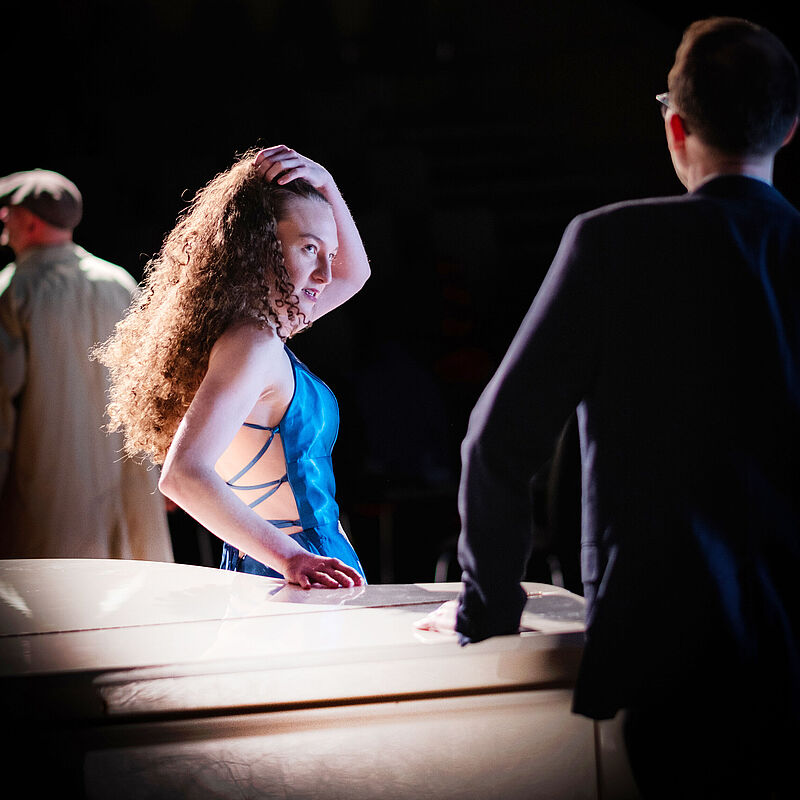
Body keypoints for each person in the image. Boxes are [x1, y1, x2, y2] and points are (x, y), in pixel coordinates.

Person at [417, 17, 800, 798]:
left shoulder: (613, 244)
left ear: (676, 126)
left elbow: (497, 441)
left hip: (667, 653)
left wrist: (488, 605)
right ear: (789, 128)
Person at [93, 146, 368, 590]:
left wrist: (326, 183)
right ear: (258, 245)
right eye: (309, 248)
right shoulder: (254, 342)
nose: (324, 273)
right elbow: (182, 476)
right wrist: (291, 558)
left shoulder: (262, 327)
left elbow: (353, 275)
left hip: (286, 563)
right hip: (295, 568)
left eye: (329, 253)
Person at [0, 168, 173, 561]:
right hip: (129, 489)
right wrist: (165, 464)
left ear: (30, 222)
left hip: (49, 502)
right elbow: (156, 385)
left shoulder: (14, 289)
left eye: (9, 211)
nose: (3, 219)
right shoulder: (118, 282)